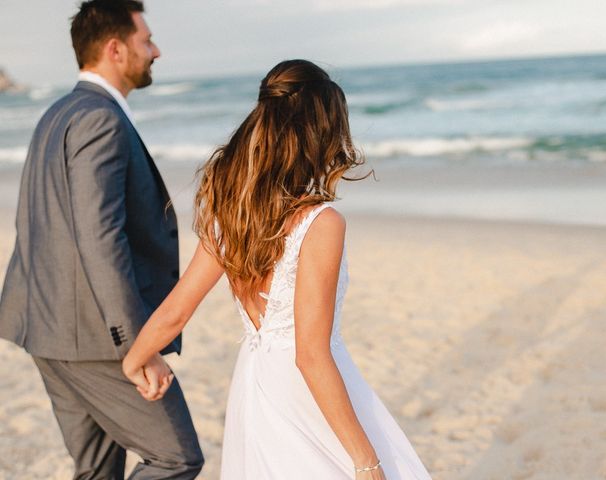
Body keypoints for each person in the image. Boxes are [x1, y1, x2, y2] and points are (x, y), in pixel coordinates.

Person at [123, 59, 431, 479]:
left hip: (257, 384)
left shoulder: (231, 212)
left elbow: (178, 308)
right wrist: (366, 461)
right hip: (305, 391)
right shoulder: (321, 224)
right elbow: (311, 355)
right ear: (321, 133)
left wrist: (136, 358)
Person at [0, 1, 204, 478]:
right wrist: (139, 345)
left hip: (44, 328)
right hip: (94, 338)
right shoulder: (100, 119)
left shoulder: (58, 113)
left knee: (96, 471)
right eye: (145, 40)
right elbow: (99, 236)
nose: (156, 51)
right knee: (176, 458)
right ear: (115, 48)